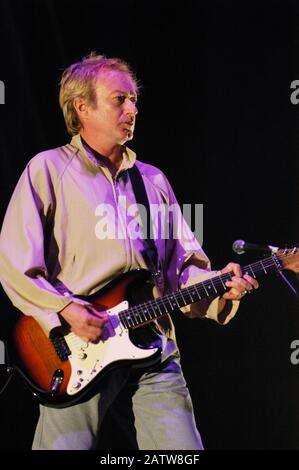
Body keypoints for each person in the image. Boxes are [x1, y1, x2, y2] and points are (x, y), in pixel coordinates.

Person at [0, 53, 258, 450]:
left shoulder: (153, 181)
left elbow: (181, 272)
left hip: (153, 343)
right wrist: (64, 311)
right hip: (78, 350)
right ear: (81, 107)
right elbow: (16, 266)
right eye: (120, 99)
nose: (133, 109)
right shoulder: (47, 170)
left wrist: (220, 286)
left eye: (134, 99)